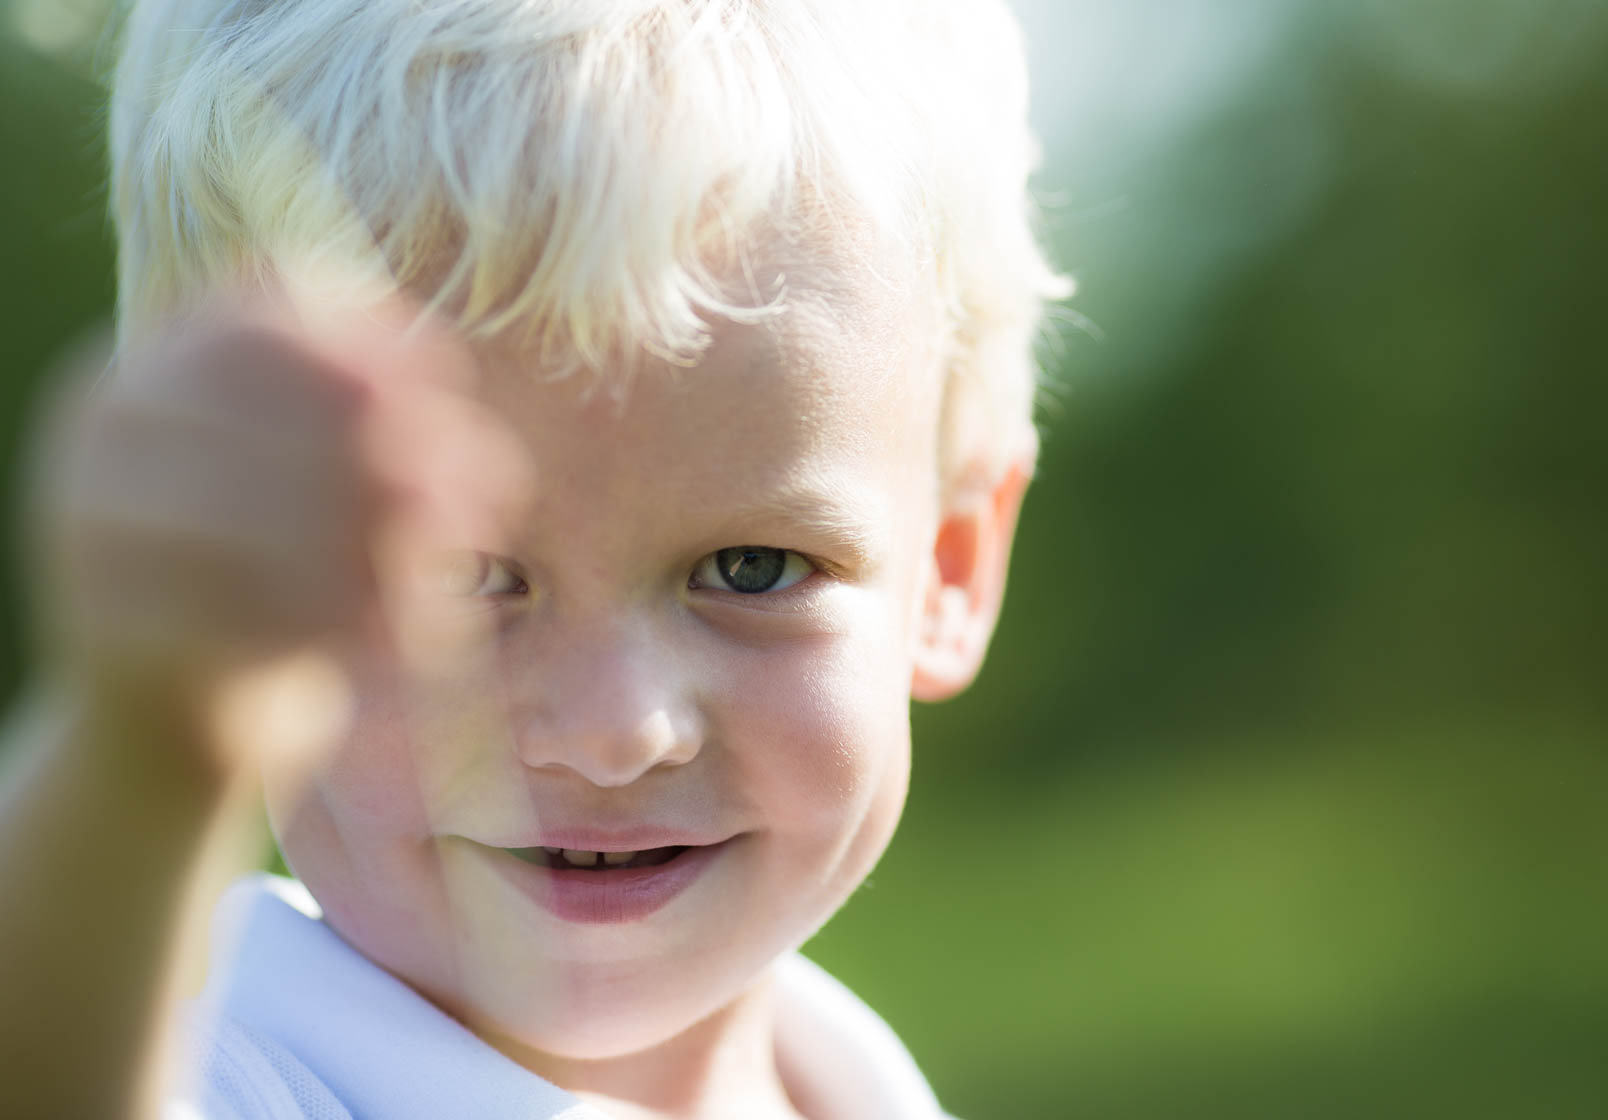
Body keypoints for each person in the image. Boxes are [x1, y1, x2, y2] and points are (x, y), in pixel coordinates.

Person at [0, 0, 1069, 1116]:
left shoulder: (860, 1085)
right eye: (452, 576)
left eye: (752, 568)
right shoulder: (206, 1066)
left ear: (951, 565)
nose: (612, 732)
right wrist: (137, 758)